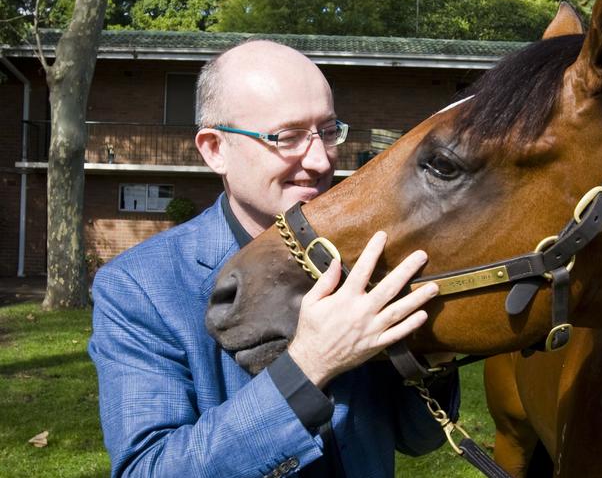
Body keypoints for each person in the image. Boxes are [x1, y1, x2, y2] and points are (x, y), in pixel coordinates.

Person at [89, 40, 459, 478]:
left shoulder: (359, 258)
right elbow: (148, 470)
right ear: (214, 149)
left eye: (327, 130)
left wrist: (434, 353)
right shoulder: (138, 288)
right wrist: (311, 363)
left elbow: (418, 437)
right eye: (287, 137)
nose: (320, 160)